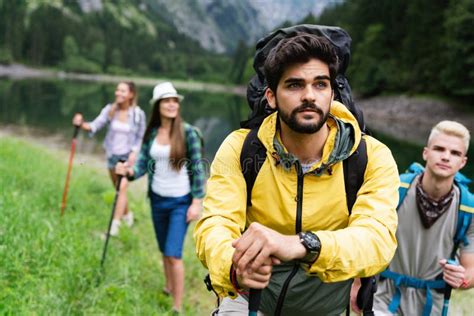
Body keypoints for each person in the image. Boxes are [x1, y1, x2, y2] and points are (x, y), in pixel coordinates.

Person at [193, 34, 399, 315]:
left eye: (320, 84)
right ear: (271, 97)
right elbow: (216, 222)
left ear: (332, 94)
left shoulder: (370, 156)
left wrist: (304, 244)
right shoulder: (242, 148)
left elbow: (376, 239)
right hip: (251, 301)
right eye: (294, 85)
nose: (309, 95)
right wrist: (234, 265)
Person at [353, 121, 473, 316]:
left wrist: (461, 278)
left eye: (455, 153)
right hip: (383, 298)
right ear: (425, 153)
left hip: (432, 306)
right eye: (439, 149)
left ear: (463, 162)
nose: (445, 157)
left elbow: (470, 270)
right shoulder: (394, 189)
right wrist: (357, 284)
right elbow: (367, 239)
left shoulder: (468, 208)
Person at [115, 81, 205, 314]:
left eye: (174, 100)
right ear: (158, 105)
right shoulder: (153, 133)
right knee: (164, 249)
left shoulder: (189, 133)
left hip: (180, 202)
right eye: (167, 100)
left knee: (174, 254)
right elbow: (143, 164)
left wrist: (197, 202)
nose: (172, 104)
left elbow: (197, 169)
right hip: (157, 199)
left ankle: (176, 306)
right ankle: (167, 286)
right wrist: (128, 171)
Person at [72, 81, 146, 236]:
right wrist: (81, 124)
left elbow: (141, 137)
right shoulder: (110, 110)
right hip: (112, 156)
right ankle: (128, 216)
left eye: (123, 91)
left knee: (121, 188)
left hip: (127, 158)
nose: (118, 93)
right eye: (117, 90)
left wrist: (134, 153)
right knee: (119, 190)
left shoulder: (138, 115)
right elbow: (94, 126)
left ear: (131, 94)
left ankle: (114, 227)